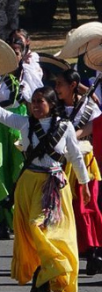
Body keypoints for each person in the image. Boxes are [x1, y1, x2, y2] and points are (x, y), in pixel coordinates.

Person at [0, 78, 88, 292]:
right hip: (28, 184)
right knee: (32, 233)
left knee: (41, 227)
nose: (35, 106)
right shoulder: (24, 123)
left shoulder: (66, 126)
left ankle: (48, 273)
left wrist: (84, 183)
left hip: (54, 186)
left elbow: (75, 156)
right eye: (33, 101)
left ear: (51, 103)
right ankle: (42, 277)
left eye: (40, 101)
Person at [54, 68, 102, 276]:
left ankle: (94, 250)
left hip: (83, 161)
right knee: (64, 209)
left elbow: (89, 129)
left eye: (60, 85)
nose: (56, 89)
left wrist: (70, 137)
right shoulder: (53, 107)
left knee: (85, 206)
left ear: (72, 86)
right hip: (61, 163)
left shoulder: (89, 108)